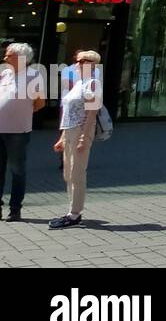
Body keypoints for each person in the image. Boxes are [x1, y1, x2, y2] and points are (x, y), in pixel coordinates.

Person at [50, 50, 106, 228]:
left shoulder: (93, 84)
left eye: (83, 61)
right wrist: (62, 137)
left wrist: (83, 137)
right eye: (78, 61)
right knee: (68, 173)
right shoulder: (78, 83)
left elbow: (92, 113)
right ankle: (71, 210)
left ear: (93, 64)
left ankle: (75, 213)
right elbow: (68, 113)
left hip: (81, 131)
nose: (79, 64)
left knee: (77, 173)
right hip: (69, 131)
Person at [0, 43, 45, 222]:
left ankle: (15, 209)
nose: (5, 58)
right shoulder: (4, 73)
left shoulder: (33, 76)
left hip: (18, 131)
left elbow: (40, 103)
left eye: (8, 55)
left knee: (17, 170)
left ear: (21, 58)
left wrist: (21, 113)